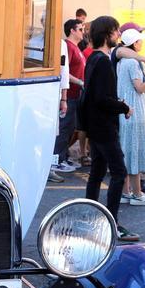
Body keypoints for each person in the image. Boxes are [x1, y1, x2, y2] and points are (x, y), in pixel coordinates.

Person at [80, 15, 138, 242]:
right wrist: (123, 106)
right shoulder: (103, 61)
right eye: (115, 31)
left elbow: (93, 95)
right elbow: (103, 98)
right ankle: (111, 222)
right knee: (118, 172)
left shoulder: (93, 58)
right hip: (104, 126)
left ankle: (90, 217)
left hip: (94, 125)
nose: (118, 36)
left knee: (96, 173)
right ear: (107, 34)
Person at [116, 27, 145, 206]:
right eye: (139, 40)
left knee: (127, 152)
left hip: (125, 110)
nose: (142, 43)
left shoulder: (121, 62)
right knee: (134, 152)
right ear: (134, 43)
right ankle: (138, 194)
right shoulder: (132, 63)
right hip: (135, 111)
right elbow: (139, 88)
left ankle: (126, 192)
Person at [53, 19, 85, 173]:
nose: (82, 32)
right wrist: (79, 82)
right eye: (80, 29)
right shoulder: (68, 47)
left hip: (75, 94)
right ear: (72, 30)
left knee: (70, 127)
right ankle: (56, 160)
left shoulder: (76, 47)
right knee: (65, 127)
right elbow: (64, 71)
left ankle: (63, 157)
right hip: (70, 93)